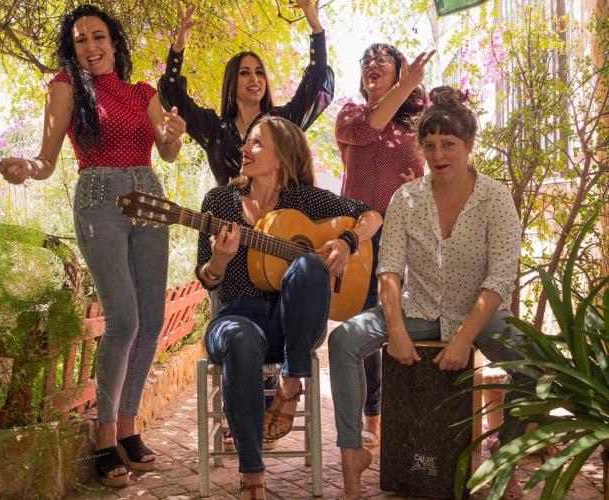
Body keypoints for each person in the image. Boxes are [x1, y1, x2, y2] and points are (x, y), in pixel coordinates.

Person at [0, 5, 186, 488]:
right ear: (73, 49)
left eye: (98, 36)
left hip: (149, 197)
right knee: (124, 320)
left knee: (152, 320)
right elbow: (47, 159)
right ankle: (104, 436)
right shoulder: (67, 87)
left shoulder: (143, 92)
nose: (91, 46)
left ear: (114, 43)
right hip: (100, 198)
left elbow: (165, 151)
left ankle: (128, 426)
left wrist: (174, 136)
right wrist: (27, 168)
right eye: (80, 40)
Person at [328, 86, 528, 499]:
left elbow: (499, 278)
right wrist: (396, 330)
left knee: (537, 363)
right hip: (417, 309)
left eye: (449, 144)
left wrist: (464, 338)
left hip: (480, 315)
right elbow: (389, 269)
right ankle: (352, 455)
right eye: (430, 145)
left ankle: (505, 454)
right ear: (420, 149)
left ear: (469, 144)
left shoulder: (495, 198)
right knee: (343, 340)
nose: (439, 154)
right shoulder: (405, 198)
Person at [197, 116, 382, 499]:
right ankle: (252, 477)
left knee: (310, 264)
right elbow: (207, 278)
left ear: (283, 156)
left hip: (293, 325)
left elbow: (372, 215)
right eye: (247, 142)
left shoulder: (304, 200)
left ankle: (290, 382)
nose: (245, 149)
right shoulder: (220, 202)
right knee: (240, 340)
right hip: (236, 316)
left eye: (257, 143)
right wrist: (220, 259)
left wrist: (346, 241)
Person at [334, 43, 433, 448]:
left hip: (400, 233)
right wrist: (406, 85)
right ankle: (370, 416)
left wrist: (419, 185)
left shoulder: (415, 125)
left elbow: (433, 171)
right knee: (362, 323)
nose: (372, 65)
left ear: (397, 70)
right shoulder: (350, 115)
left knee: (399, 320)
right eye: (366, 60)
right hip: (357, 234)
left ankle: (402, 414)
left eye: (382, 60)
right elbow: (369, 128)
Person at [159, 0, 333, 187]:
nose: (254, 79)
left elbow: (316, 83)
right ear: (232, 82)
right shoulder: (215, 128)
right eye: (244, 73)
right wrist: (178, 48)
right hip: (224, 207)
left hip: (276, 207)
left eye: (259, 73)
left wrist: (316, 29)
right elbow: (172, 92)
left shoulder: (281, 123)